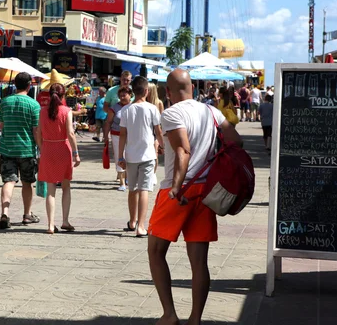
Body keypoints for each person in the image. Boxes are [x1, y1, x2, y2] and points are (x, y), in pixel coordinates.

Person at [147, 69, 242, 325]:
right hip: (206, 191)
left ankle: (169, 315)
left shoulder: (171, 113)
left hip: (179, 190)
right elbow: (236, 141)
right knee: (199, 260)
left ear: (168, 92)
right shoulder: (212, 112)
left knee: (155, 251)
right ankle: (195, 319)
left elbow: (183, 150)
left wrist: (177, 185)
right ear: (192, 87)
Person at [118, 76, 163, 238]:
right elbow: (158, 132)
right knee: (144, 189)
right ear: (146, 91)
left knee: (132, 189)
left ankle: (132, 221)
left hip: (130, 156)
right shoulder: (152, 109)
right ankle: (141, 226)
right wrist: (163, 146)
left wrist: (120, 157)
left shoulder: (126, 110)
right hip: (148, 155)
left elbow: (122, 135)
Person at [0, 72, 42, 230]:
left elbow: (1, 126)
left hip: (7, 148)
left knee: (8, 181)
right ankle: (27, 214)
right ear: (29, 85)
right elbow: (36, 130)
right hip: (26, 150)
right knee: (27, 183)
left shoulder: (4, 102)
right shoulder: (34, 105)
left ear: (15, 84)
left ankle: (5, 213)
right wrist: (41, 149)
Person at [37, 83, 81, 234]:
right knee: (66, 187)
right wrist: (76, 153)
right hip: (63, 148)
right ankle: (65, 221)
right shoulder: (66, 111)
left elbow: (38, 132)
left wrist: (42, 148)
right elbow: (70, 133)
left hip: (48, 148)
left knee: (50, 190)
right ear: (63, 96)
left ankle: (50, 224)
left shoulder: (42, 111)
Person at [103, 86, 132, 192]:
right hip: (116, 135)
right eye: (120, 95)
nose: (122, 97)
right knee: (119, 157)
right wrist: (105, 136)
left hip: (131, 136)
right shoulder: (114, 108)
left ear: (130, 95)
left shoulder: (134, 107)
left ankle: (128, 178)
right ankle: (122, 182)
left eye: (124, 95)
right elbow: (108, 122)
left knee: (130, 156)